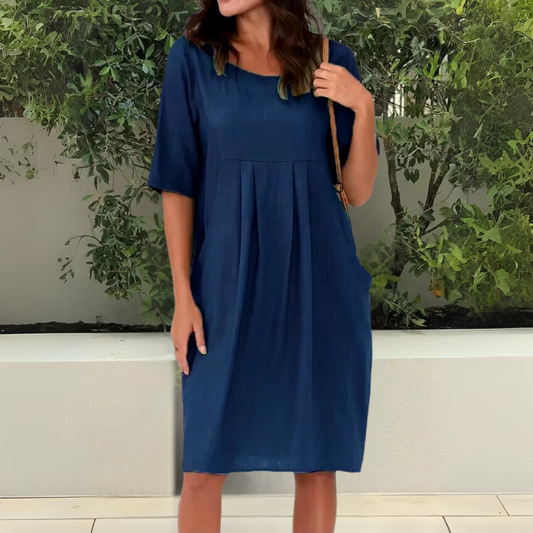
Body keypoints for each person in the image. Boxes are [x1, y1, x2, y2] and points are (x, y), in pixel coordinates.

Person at [147, 0, 380, 531]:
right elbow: (177, 183)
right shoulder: (193, 59)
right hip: (223, 288)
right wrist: (183, 296)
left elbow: (358, 190)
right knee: (203, 467)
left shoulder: (330, 60)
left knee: (317, 463)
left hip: (319, 286)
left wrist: (363, 107)